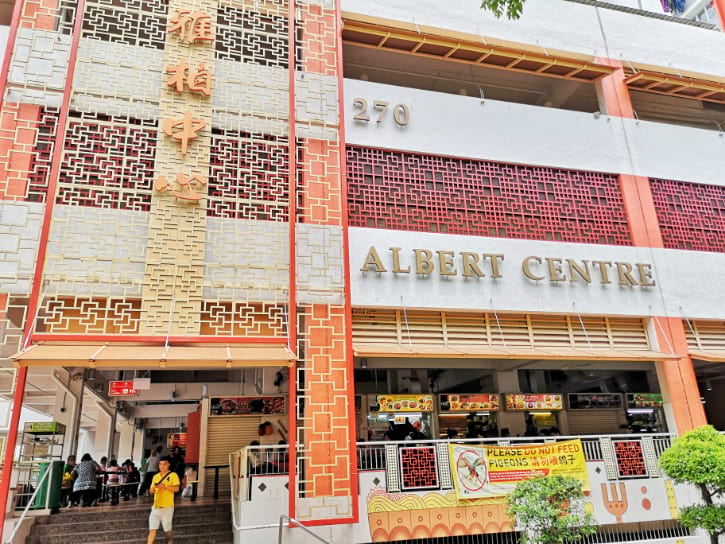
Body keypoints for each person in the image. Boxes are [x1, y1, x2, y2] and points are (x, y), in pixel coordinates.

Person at [148, 459, 180, 544]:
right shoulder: (155, 476)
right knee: (152, 530)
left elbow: (176, 489)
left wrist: (165, 486)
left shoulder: (173, 475)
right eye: (160, 464)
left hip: (167, 507)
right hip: (155, 507)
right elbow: (150, 491)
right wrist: (154, 488)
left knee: (167, 530)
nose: (162, 466)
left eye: (164, 464)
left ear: (168, 465)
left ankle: (170, 541)